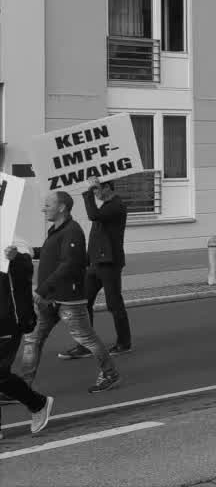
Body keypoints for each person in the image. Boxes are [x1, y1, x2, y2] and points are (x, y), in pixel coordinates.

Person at [19, 192, 121, 394]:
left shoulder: (73, 231)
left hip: (68, 300)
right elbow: (55, 254)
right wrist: (30, 252)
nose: (43, 208)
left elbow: (69, 264)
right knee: (32, 340)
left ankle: (110, 374)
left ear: (62, 207)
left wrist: (41, 289)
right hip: (49, 299)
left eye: (48, 204)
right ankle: (21, 387)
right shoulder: (57, 230)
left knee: (87, 339)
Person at [59, 178, 131, 360]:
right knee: (83, 304)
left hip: (110, 264)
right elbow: (97, 236)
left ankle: (124, 343)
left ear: (107, 187)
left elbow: (93, 215)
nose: (96, 193)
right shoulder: (106, 207)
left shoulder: (116, 205)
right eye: (94, 191)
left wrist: (88, 192)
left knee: (114, 304)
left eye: (97, 190)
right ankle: (84, 345)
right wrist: (86, 260)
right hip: (94, 264)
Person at [2, 243, 54, 437]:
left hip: (8, 320)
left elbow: (26, 268)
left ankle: (38, 403)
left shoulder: (10, 235)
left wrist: (15, 258)